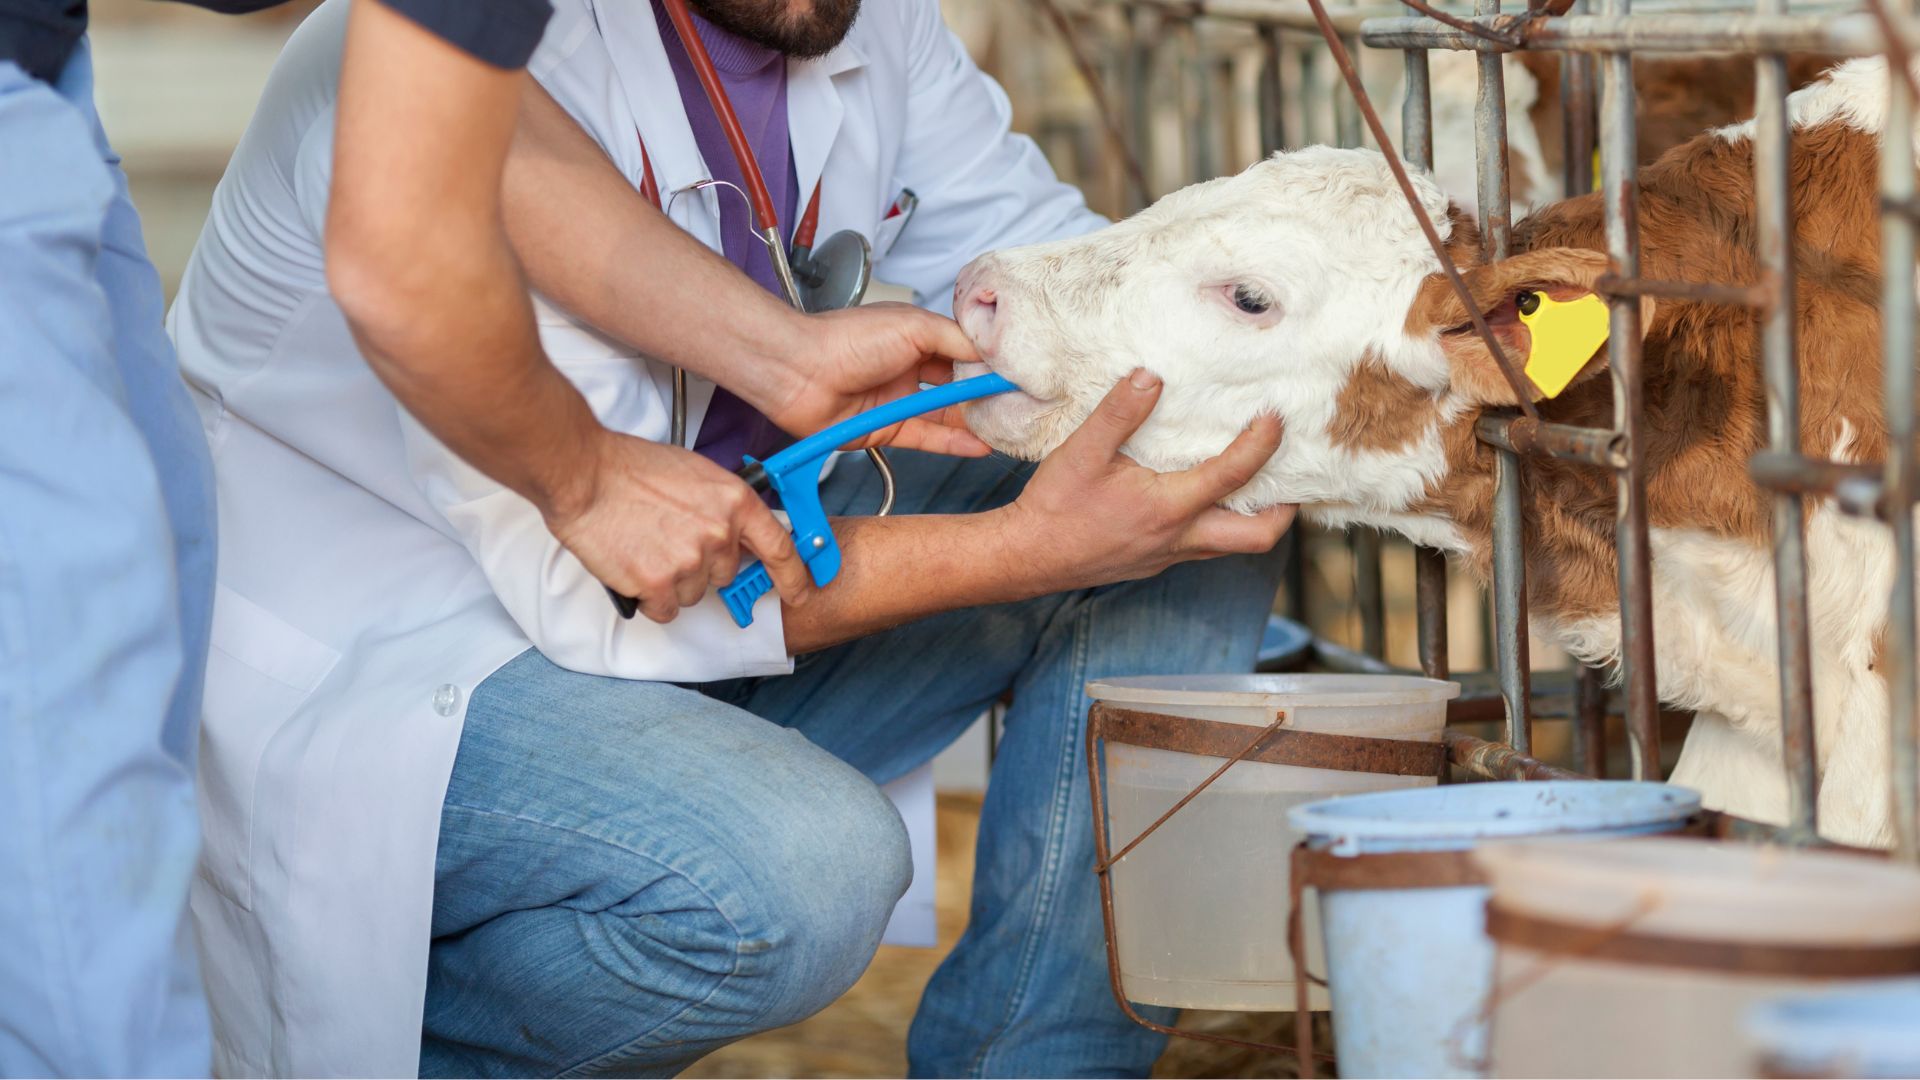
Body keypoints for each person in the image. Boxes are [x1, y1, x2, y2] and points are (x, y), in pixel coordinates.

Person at [172, 0, 1297, 1076]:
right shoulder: (457, 60)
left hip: (687, 573)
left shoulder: (867, 19)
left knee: (1193, 510)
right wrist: (1033, 547)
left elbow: (1068, 272)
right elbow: (619, 577)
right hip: (409, 664)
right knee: (801, 875)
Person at [1, 0, 1022, 1073]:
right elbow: (411, 249)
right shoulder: (496, 47)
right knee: (805, 869)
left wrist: (786, 359)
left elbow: (511, 149)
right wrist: (584, 479)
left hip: (41, 59)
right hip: (393, 635)